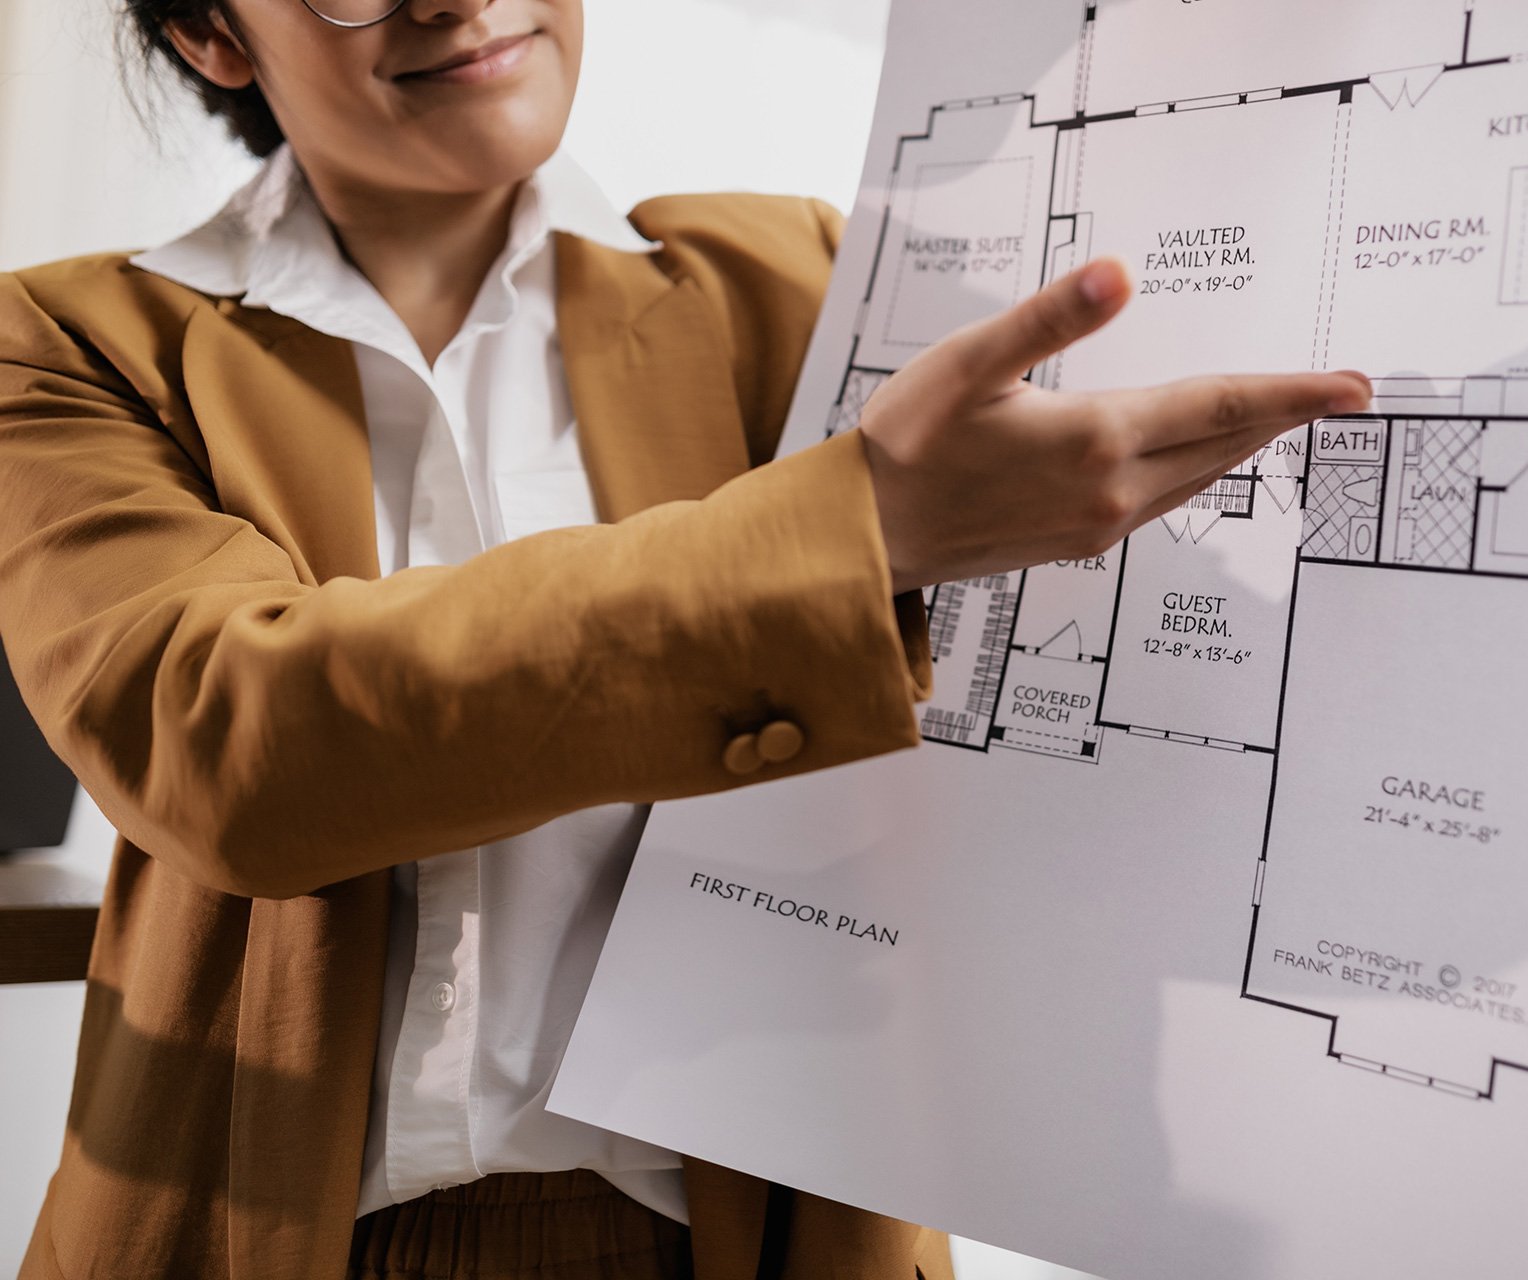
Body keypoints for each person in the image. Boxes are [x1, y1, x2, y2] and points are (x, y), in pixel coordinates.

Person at [0, 1, 1372, 1276]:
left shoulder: (807, 286)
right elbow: (234, 745)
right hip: (273, 1236)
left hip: (760, 1237)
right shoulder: (74, 343)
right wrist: (856, 529)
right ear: (211, 33)